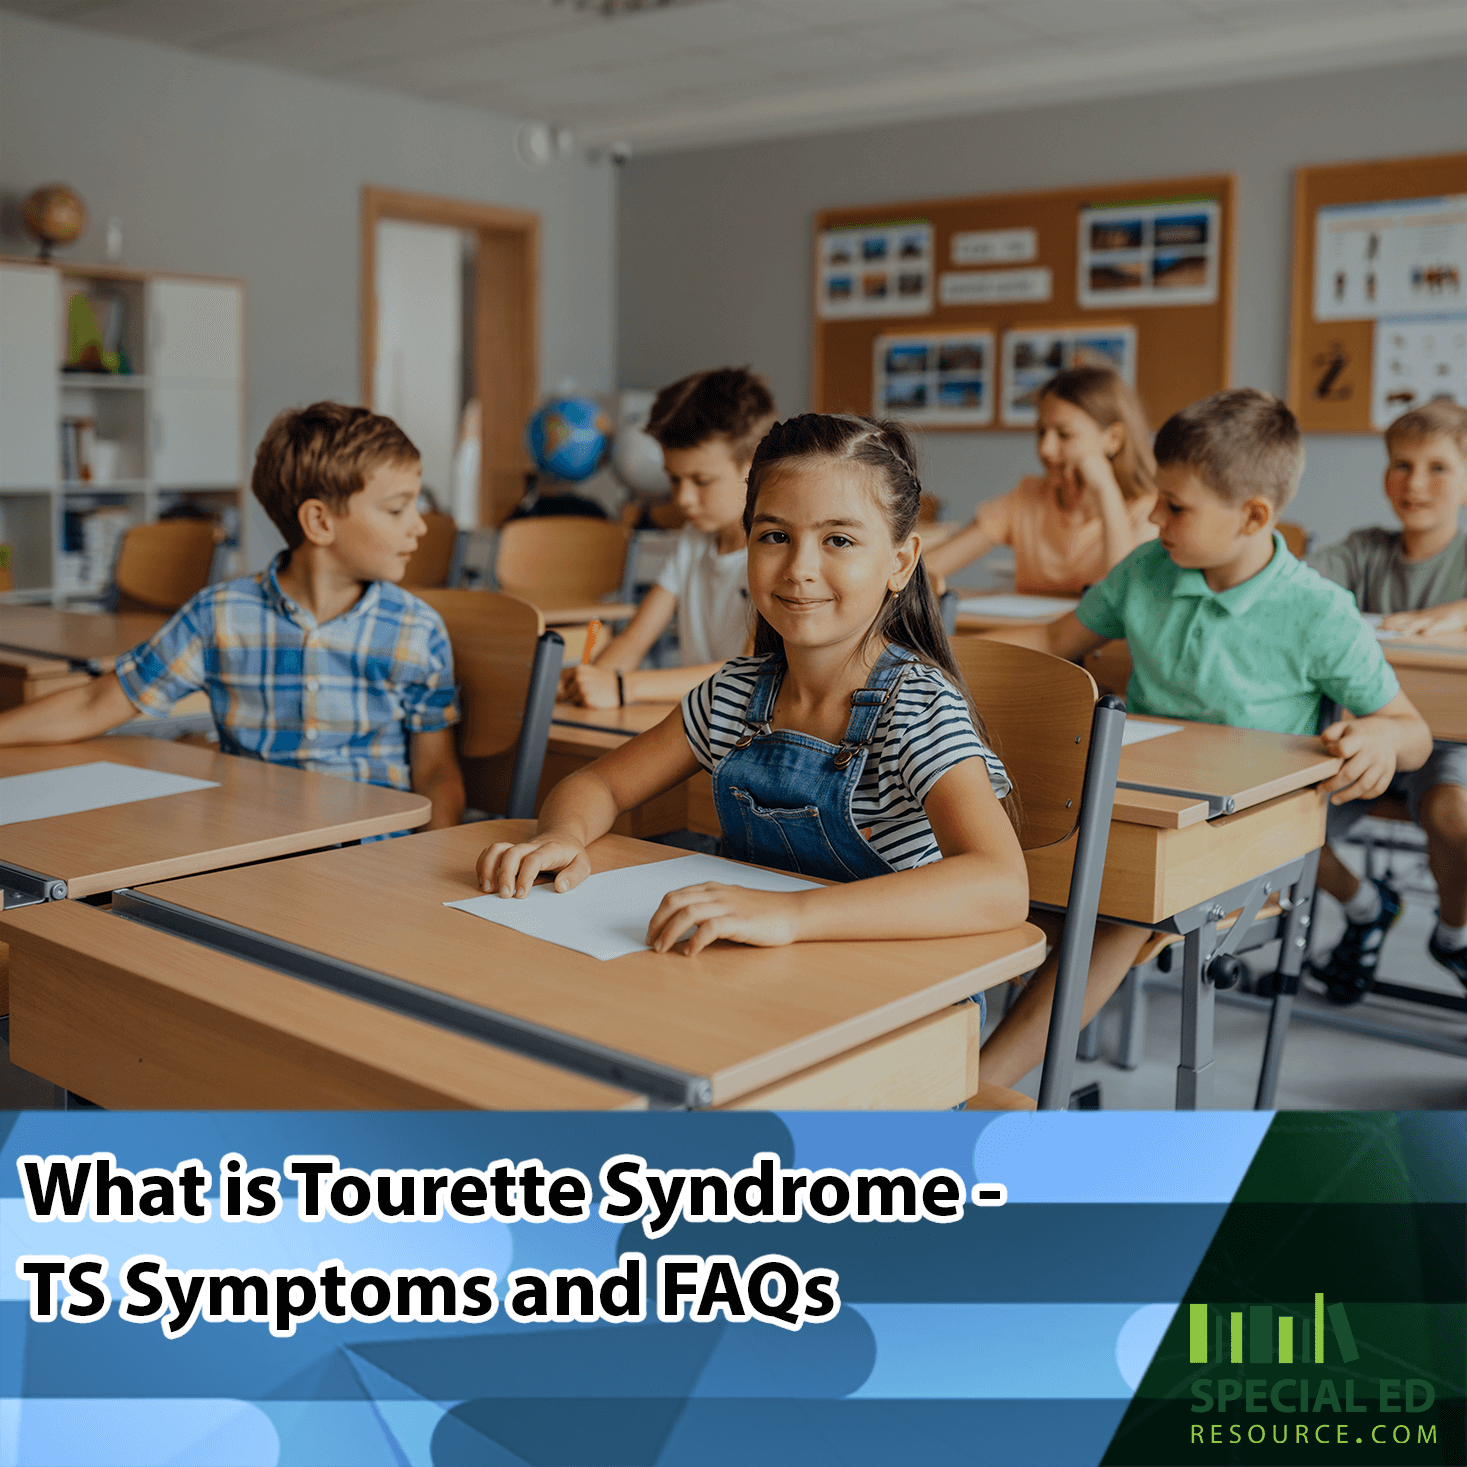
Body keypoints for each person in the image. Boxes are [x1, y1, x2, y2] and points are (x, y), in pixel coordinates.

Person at [976, 388, 1432, 1089]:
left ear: (1253, 516)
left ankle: (977, 1089)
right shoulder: (1146, 572)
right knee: (1003, 865)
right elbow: (1053, 639)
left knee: (1120, 903)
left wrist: (1378, 737)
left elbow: (1412, 732)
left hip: (1245, 836)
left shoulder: (1317, 612)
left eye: (1175, 506)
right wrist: (936, 659)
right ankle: (934, 1065)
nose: (1153, 517)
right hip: (1139, 802)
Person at [477, 414, 1028, 962]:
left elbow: (1000, 884)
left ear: (900, 563)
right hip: (758, 970)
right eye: (775, 536)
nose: (799, 567)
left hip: (894, 981)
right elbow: (599, 783)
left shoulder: (915, 706)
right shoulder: (735, 695)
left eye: (838, 540)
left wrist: (790, 915)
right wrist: (562, 836)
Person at [0, 402, 465, 830]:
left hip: (373, 853)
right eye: (397, 508)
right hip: (250, 847)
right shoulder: (219, 615)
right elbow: (96, 702)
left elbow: (435, 772)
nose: (420, 525)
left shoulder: (416, 631)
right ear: (320, 522)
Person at [1308, 399, 1467, 998]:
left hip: (1448, 743)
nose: (1414, 483)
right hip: (1361, 734)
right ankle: (1366, 907)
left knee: (1453, 815)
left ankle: (1454, 935)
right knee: (1274, 824)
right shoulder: (1363, 550)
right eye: (1402, 464)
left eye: (1438, 468)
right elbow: (1296, 587)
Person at [559, 368, 773, 708]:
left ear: (753, 467)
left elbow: (748, 673)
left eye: (701, 481)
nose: (683, 498)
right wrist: (589, 680)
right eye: (674, 479)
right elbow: (635, 639)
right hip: (697, 720)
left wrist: (624, 687)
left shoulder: (774, 553)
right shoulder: (692, 540)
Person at [924, 365, 1157, 595]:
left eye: (1064, 435)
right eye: (1041, 432)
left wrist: (1106, 491)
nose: (1045, 448)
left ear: (1114, 438)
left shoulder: (1150, 512)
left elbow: (1125, 596)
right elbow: (931, 565)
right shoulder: (1026, 498)